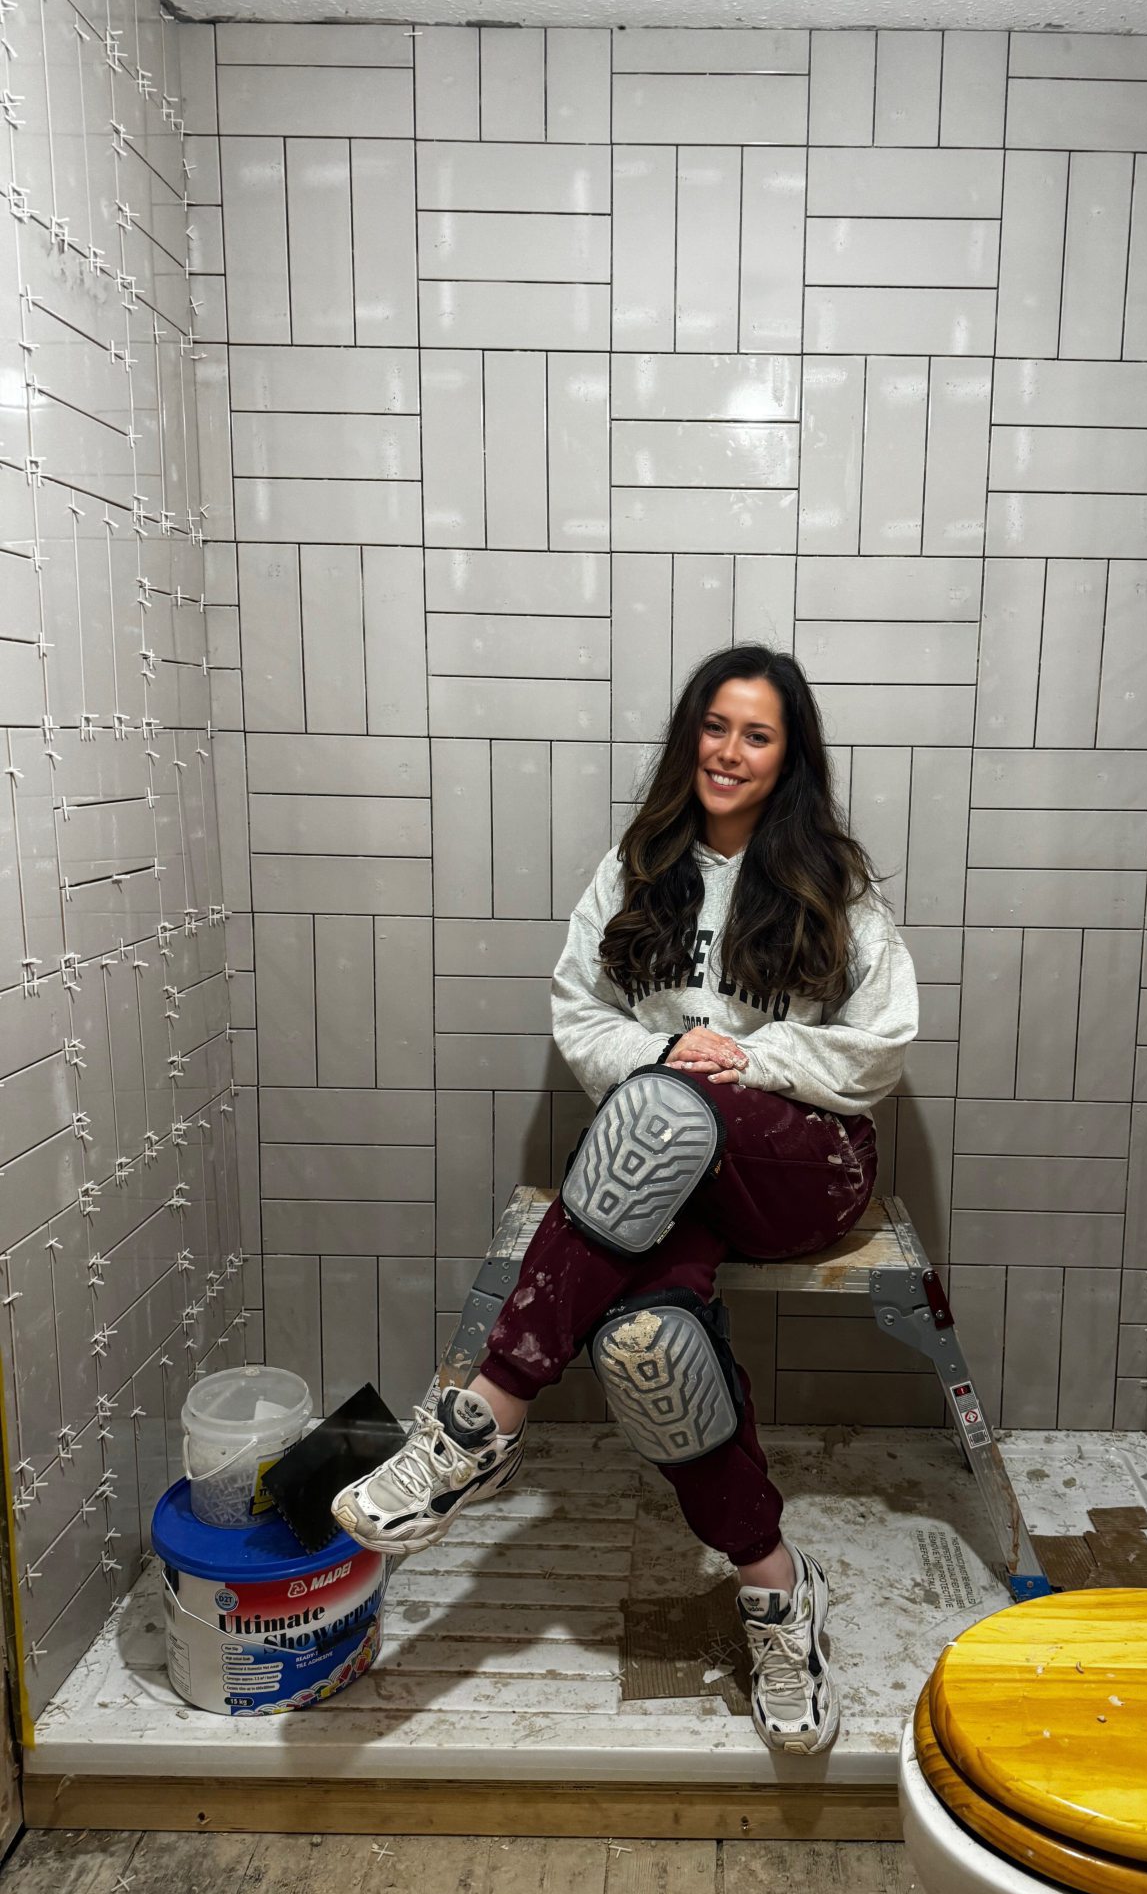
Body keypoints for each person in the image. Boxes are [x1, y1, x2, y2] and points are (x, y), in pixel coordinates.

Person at [333, 644, 919, 1754]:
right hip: (667, 1171)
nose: (729, 751)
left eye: (756, 734)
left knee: (661, 1105)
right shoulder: (638, 864)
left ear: (789, 757)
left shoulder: (830, 877)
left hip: (801, 1163)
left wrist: (749, 1062)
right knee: (647, 1351)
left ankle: (481, 1418)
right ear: (688, 735)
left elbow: (882, 1044)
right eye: (715, 726)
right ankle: (781, 1591)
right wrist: (664, 1052)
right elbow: (577, 1014)